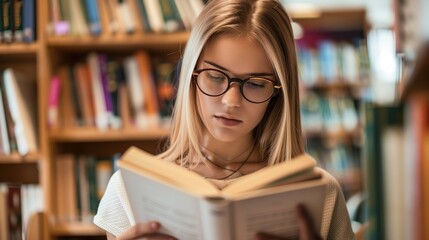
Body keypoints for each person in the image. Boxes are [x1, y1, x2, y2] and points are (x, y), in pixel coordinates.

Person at [94, 0, 355, 239]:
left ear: (278, 93)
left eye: (255, 83)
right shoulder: (129, 189)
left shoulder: (321, 193)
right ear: (191, 78)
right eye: (216, 77)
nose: (231, 101)